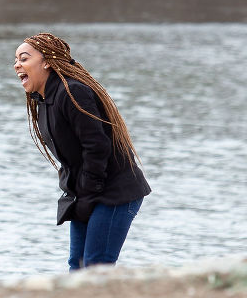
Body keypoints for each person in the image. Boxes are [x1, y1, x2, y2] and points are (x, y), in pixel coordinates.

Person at [14, 32, 150, 269]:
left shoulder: (72, 92)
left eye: (24, 58)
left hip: (115, 191)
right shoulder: (44, 100)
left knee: (96, 266)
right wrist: (79, 196)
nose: (17, 65)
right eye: (15, 60)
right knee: (77, 266)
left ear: (46, 61)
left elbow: (97, 147)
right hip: (85, 193)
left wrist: (88, 195)